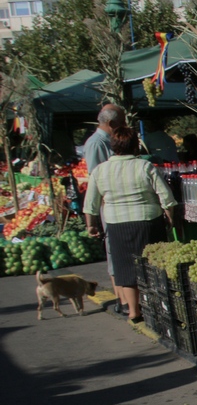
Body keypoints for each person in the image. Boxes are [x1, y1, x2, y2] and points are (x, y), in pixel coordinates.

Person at [83, 126, 176, 324]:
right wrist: (169, 218)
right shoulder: (144, 166)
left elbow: (90, 203)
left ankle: (134, 311)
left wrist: (91, 225)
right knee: (153, 266)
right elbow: (165, 196)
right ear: (135, 146)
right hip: (148, 223)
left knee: (125, 267)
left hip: (117, 224)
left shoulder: (100, 170)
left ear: (113, 146)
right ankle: (158, 308)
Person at [83, 104, 126, 313]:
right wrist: (95, 217)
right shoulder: (95, 143)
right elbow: (95, 179)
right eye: (122, 121)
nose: (125, 125)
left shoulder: (106, 141)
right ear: (110, 123)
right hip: (109, 207)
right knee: (114, 253)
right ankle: (120, 299)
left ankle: (125, 298)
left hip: (116, 205)